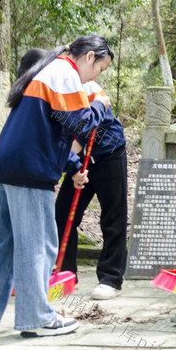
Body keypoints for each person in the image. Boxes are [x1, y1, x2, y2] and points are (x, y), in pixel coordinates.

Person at [0, 35, 113, 337]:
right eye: (101, 69)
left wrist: (74, 167)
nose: (97, 77)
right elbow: (80, 124)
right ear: (89, 57)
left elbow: (47, 131)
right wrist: (101, 105)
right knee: (38, 244)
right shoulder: (64, 73)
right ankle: (36, 318)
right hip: (29, 169)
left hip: (10, 163)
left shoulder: (47, 70)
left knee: (6, 241)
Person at [54, 77, 129, 301]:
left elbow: (86, 127)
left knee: (112, 217)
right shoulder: (53, 84)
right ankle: (65, 275)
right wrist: (74, 168)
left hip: (108, 154)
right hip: (76, 159)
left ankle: (110, 278)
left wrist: (71, 160)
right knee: (63, 214)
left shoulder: (90, 87)